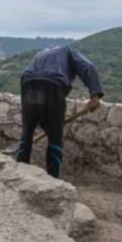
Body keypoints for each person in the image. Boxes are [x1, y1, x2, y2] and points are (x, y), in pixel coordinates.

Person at [15, 46, 104, 178]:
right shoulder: (69, 51)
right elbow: (88, 66)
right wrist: (95, 95)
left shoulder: (40, 53)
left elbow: (25, 74)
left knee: (27, 133)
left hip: (28, 84)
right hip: (53, 85)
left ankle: (19, 173)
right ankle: (52, 178)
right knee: (54, 135)